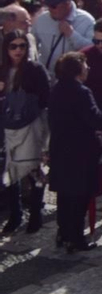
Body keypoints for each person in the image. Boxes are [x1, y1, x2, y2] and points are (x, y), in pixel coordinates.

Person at [46, 51, 102, 252]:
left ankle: (63, 233)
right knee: (80, 197)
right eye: (85, 65)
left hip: (61, 149)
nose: (88, 68)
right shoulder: (82, 92)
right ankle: (76, 238)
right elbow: (95, 119)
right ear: (78, 69)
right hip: (81, 153)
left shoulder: (56, 89)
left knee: (64, 196)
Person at [2, 27, 51, 233]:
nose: (18, 50)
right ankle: (16, 214)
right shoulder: (3, 70)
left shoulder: (35, 70)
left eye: (22, 46)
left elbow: (45, 99)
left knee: (33, 168)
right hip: (7, 126)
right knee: (10, 170)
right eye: (13, 46)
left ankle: (36, 213)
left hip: (31, 125)